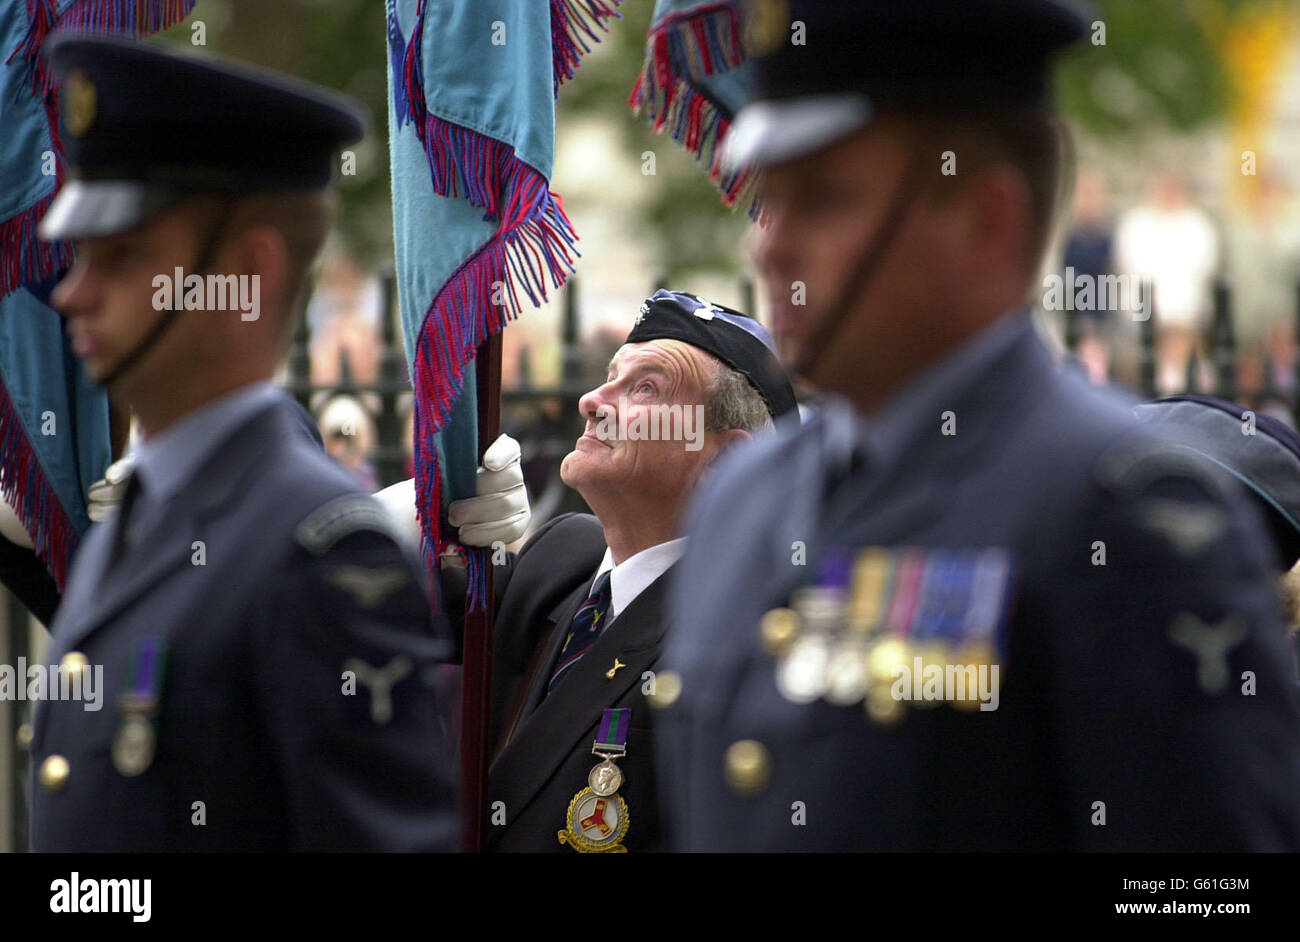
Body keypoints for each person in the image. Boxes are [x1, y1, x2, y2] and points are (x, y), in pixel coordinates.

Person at [655, 0, 1300, 851]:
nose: (770, 247)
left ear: (986, 218)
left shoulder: (1124, 516)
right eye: (774, 196)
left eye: (825, 199)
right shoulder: (743, 495)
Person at [27, 34, 457, 851]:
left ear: (246, 275)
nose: (74, 293)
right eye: (79, 256)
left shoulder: (321, 552)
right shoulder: (146, 514)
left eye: (122, 257)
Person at [383, 289, 796, 851]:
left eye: (645, 388)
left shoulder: (741, 632)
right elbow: (377, 612)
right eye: (610, 376)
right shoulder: (563, 557)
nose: (592, 400)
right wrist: (420, 510)